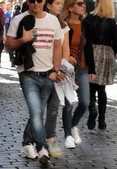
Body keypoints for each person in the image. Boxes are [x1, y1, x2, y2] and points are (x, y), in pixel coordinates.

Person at [6, 0, 64, 166]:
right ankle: (42, 148)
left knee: (36, 114)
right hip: (28, 74)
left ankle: (26, 144)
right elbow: (8, 45)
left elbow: (58, 46)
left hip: (48, 75)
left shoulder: (53, 20)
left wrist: (56, 70)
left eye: (39, 0)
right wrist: (23, 40)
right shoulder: (19, 19)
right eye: (32, 0)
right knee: (36, 111)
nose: (35, 3)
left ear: (44, 1)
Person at [61, 0, 96, 148]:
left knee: (84, 102)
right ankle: (68, 135)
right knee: (68, 104)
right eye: (79, 3)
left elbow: (89, 47)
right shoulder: (63, 24)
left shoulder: (86, 24)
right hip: (68, 69)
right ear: (70, 7)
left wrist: (92, 68)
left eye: (83, 4)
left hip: (82, 68)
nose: (83, 6)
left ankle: (74, 125)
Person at [85, 0, 117, 130]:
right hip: (106, 54)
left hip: (91, 51)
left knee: (90, 86)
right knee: (102, 88)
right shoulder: (111, 22)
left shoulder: (88, 19)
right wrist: (113, 51)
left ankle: (92, 107)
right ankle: (102, 120)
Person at [44, 0, 70, 156]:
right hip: (42, 69)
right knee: (38, 109)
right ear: (48, 5)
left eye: (62, 3)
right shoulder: (41, 21)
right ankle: (32, 141)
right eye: (58, 3)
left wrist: (63, 70)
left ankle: (50, 140)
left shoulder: (63, 25)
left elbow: (65, 50)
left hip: (58, 70)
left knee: (53, 108)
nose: (61, 6)